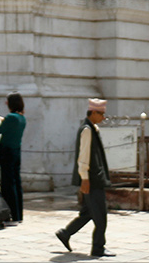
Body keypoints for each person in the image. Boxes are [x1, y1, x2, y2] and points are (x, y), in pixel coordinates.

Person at [56, 98, 113, 257]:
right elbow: (84, 156)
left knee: (88, 212)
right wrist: (85, 178)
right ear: (93, 113)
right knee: (100, 215)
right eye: (101, 114)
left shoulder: (93, 128)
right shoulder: (87, 130)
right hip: (92, 179)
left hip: (94, 178)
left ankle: (66, 233)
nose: (103, 118)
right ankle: (98, 247)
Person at [0, 92, 26, 224]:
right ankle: (18, 214)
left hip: (6, 152)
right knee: (16, 182)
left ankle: (9, 213)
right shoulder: (21, 118)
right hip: (16, 151)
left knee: (7, 184)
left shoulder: (10, 117)